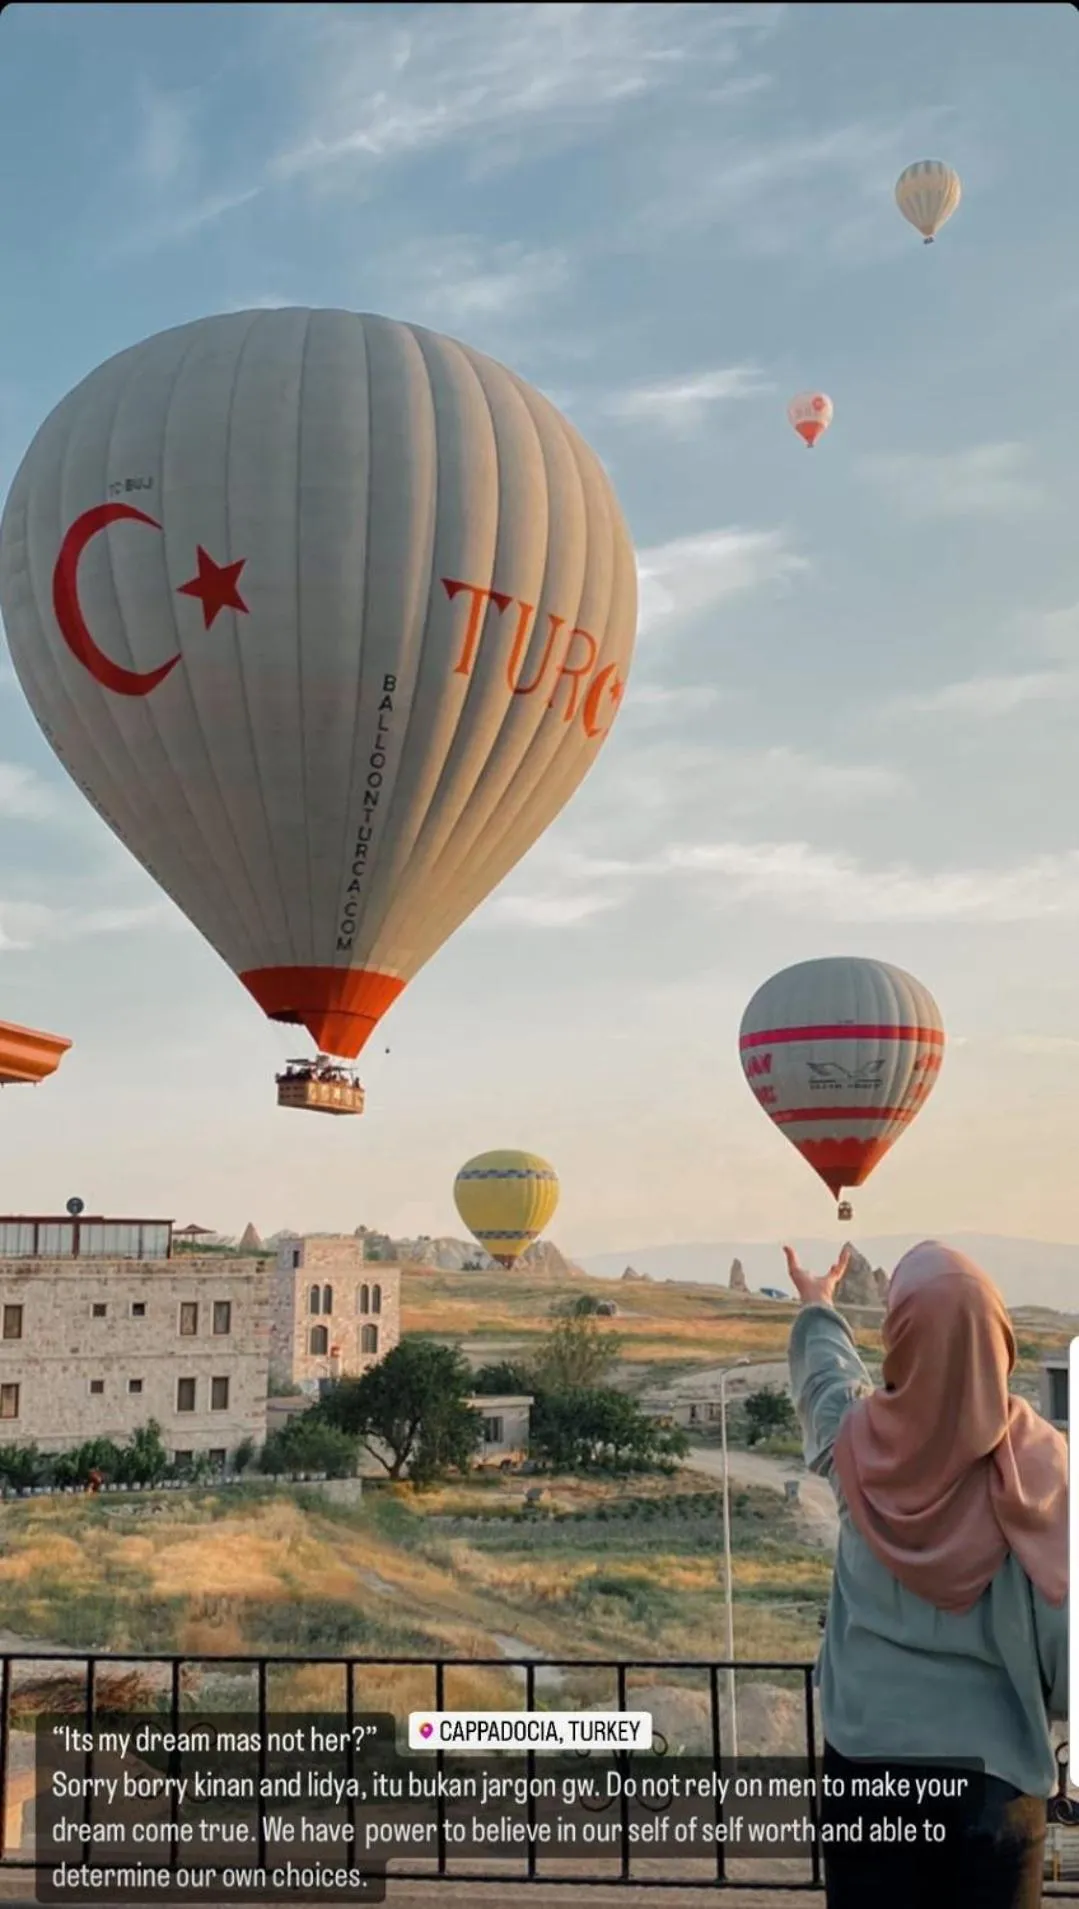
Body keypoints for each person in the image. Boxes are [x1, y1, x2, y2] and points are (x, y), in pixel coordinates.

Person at [784, 1238, 1067, 1909]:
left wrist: (817, 1304)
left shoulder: (859, 1444)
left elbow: (824, 1381)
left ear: (901, 1342)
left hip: (868, 1778)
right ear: (998, 1340)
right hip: (994, 1788)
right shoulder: (1043, 1471)